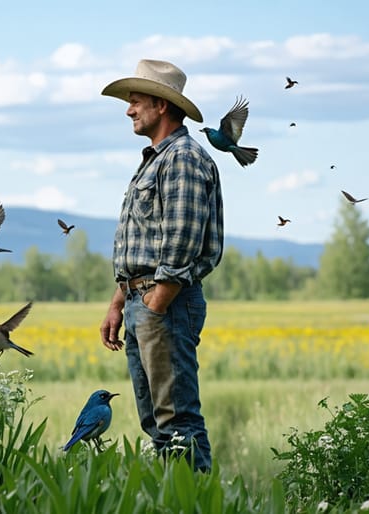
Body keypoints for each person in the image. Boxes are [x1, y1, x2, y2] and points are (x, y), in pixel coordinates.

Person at [99, 59, 224, 472]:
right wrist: (119, 302)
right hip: (144, 300)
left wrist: (155, 304)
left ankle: (196, 500)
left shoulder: (183, 158)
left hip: (165, 304)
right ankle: (174, 497)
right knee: (157, 422)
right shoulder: (156, 159)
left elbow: (182, 239)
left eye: (136, 101)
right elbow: (145, 240)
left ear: (162, 105)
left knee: (177, 421)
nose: (129, 110)